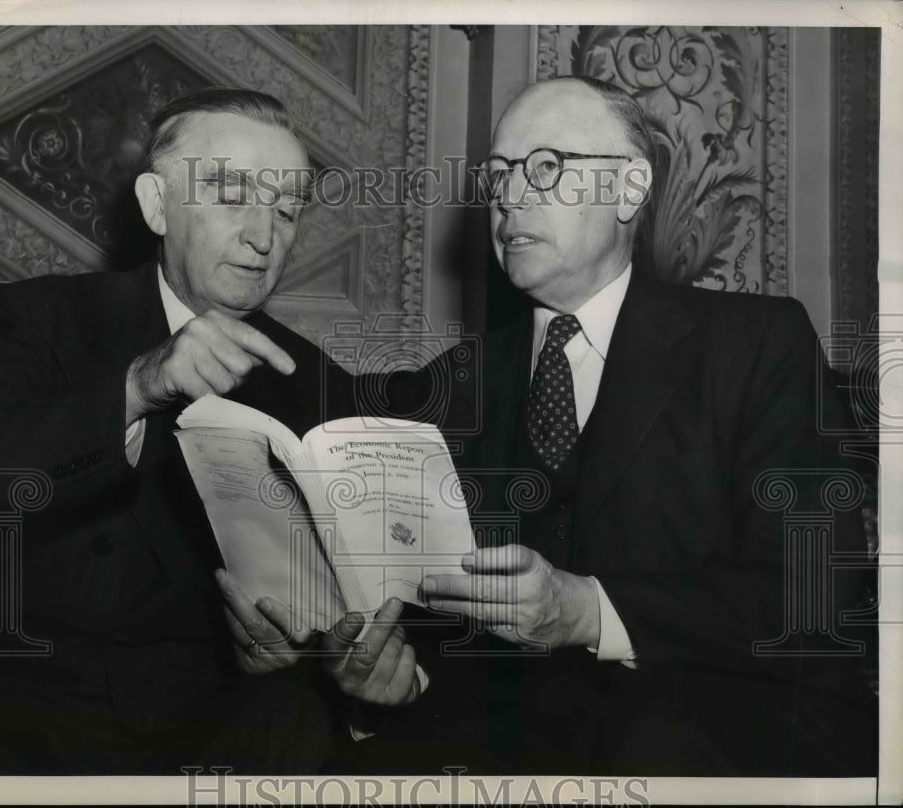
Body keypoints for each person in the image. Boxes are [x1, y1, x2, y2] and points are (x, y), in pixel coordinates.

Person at [335, 75, 878, 776]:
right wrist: (397, 683)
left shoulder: (758, 343)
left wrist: (590, 612)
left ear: (629, 189)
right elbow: (438, 627)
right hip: (515, 741)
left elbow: (810, 590)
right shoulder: (449, 387)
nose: (510, 197)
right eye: (498, 175)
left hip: (735, 721)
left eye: (545, 167)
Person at [0, 87, 419, 775]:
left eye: (286, 209)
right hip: (27, 720)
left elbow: (345, 615)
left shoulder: (320, 385)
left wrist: (316, 661)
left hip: (222, 734)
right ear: (158, 206)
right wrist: (136, 387)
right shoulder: (41, 318)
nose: (263, 237)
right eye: (232, 195)